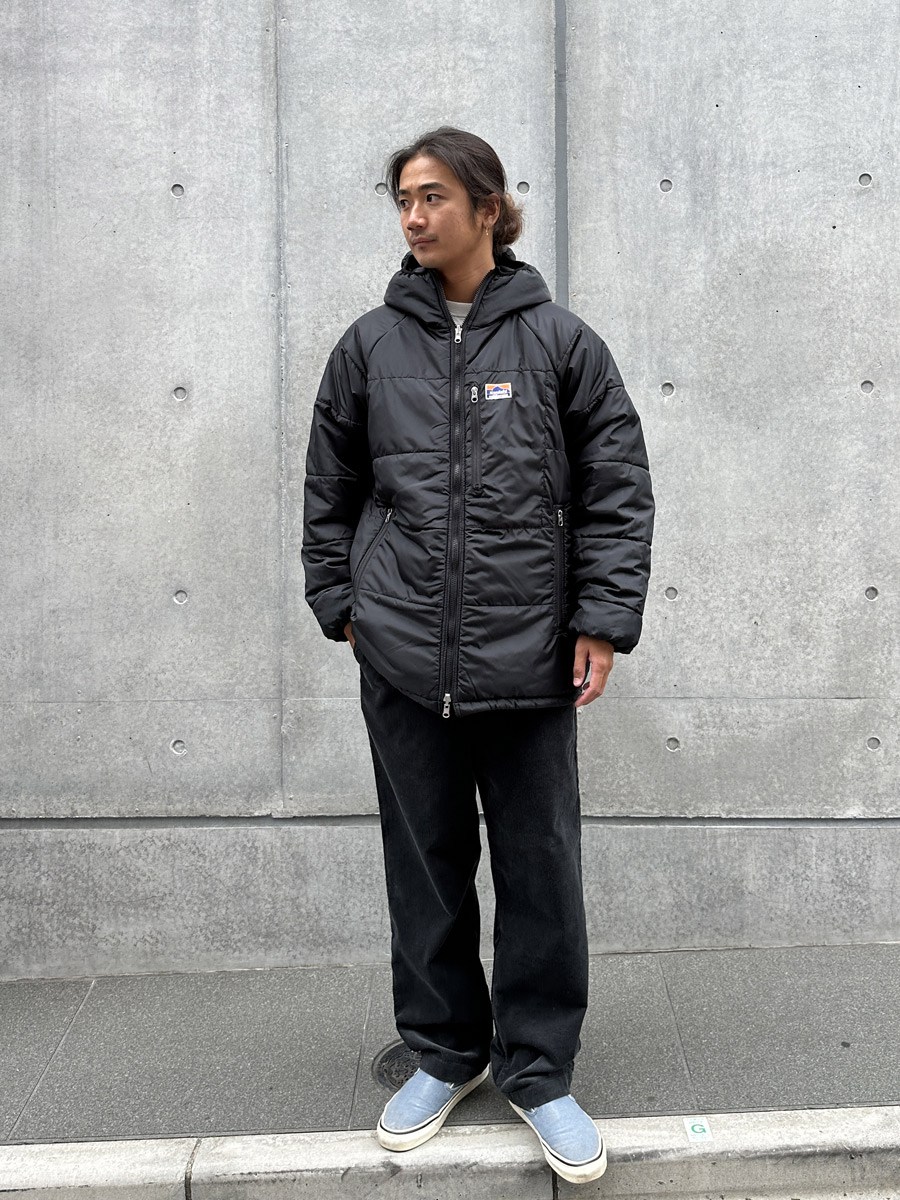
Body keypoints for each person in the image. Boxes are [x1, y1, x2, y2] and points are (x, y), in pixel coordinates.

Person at [301, 126, 654, 1186]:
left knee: (541, 868)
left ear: (489, 208)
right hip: (404, 659)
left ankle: (539, 1070)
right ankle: (445, 1052)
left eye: (433, 196)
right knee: (425, 866)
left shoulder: (562, 344)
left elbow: (617, 490)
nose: (413, 216)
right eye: (402, 199)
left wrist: (601, 621)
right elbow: (330, 490)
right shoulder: (369, 347)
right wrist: (341, 605)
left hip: (529, 657)